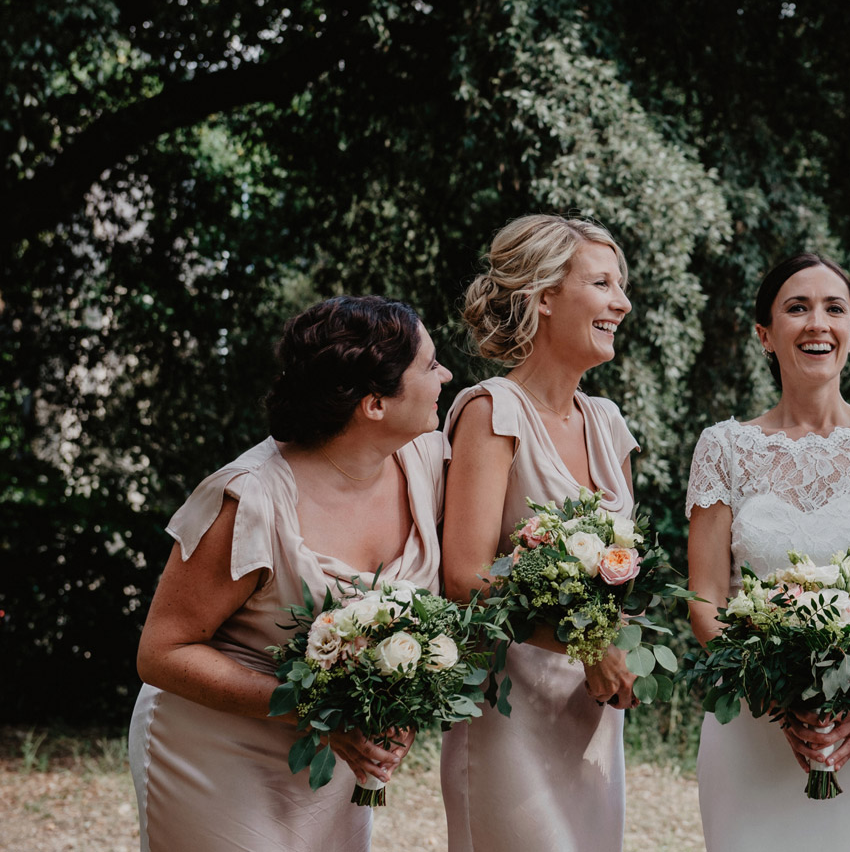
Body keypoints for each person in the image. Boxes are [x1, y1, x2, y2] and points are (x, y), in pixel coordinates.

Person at [128, 296, 452, 852]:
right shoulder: (251, 499)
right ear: (374, 404)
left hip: (329, 763)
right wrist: (320, 710)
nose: (446, 375)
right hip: (215, 752)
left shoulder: (424, 462)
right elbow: (162, 652)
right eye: (429, 364)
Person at [685, 252, 850, 852]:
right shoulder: (723, 448)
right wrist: (784, 705)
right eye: (796, 308)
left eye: (834, 309)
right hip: (754, 720)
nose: (817, 323)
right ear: (764, 334)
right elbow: (705, 598)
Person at [439, 214, 640, 852]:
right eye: (603, 284)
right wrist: (584, 644)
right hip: (508, 710)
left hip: (592, 707)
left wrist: (610, 646)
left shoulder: (608, 424)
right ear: (545, 296)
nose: (622, 302)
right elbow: (464, 578)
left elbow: (624, 567)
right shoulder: (492, 411)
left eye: (621, 285)